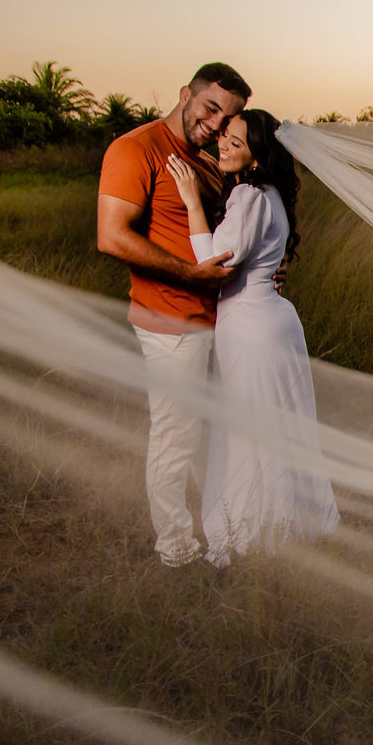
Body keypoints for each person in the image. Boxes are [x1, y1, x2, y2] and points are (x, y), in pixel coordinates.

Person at [165, 110, 338, 566]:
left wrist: (191, 202)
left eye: (236, 141)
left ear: (257, 155)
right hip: (275, 322)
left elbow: (214, 265)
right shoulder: (272, 194)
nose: (223, 143)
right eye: (224, 134)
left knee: (247, 434)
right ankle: (287, 528)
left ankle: (251, 534)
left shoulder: (247, 195)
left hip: (249, 328)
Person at [98, 62, 253, 567]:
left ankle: (219, 532)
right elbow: (112, 236)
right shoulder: (134, 149)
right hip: (170, 323)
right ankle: (176, 550)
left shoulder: (206, 163)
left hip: (216, 321)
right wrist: (191, 277)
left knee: (212, 435)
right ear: (185, 93)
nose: (213, 124)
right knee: (176, 437)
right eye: (210, 108)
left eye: (226, 119)